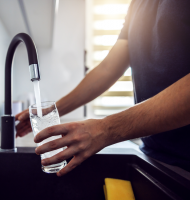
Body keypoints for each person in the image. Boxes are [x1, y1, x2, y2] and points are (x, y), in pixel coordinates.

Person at [15, 0, 190, 177]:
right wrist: (51, 112)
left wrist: (106, 129)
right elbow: (108, 69)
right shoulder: (138, 4)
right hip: (154, 154)